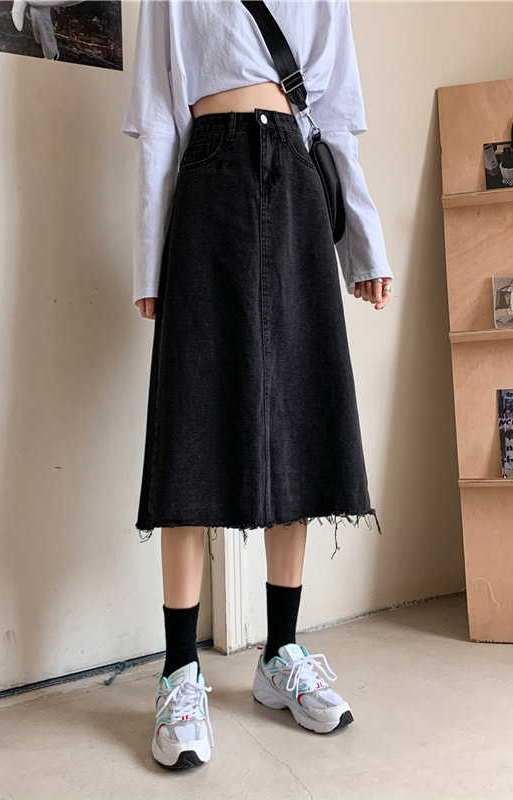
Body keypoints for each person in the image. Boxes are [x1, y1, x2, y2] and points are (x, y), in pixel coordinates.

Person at [121, 0, 393, 770]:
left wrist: (365, 248)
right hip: (208, 181)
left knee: (296, 413)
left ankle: (281, 655)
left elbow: (334, 121)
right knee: (192, 416)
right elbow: (159, 121)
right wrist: (149, 263)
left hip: (297, 181)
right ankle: (180, 671)